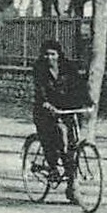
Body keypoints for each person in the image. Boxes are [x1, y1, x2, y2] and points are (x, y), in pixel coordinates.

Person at [31, 39, 87, 188]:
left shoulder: (68, 68)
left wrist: (87, 101)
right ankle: (53, 168)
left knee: (71, 143)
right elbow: (40, 89)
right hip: (45, 111)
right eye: (46, 54)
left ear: (59, 54)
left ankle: (71, 185)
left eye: (53, 54)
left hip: (65, 108)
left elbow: (78, 86)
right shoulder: (39, 69)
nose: (49, 57)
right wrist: (45, 103)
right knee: (53, 140)